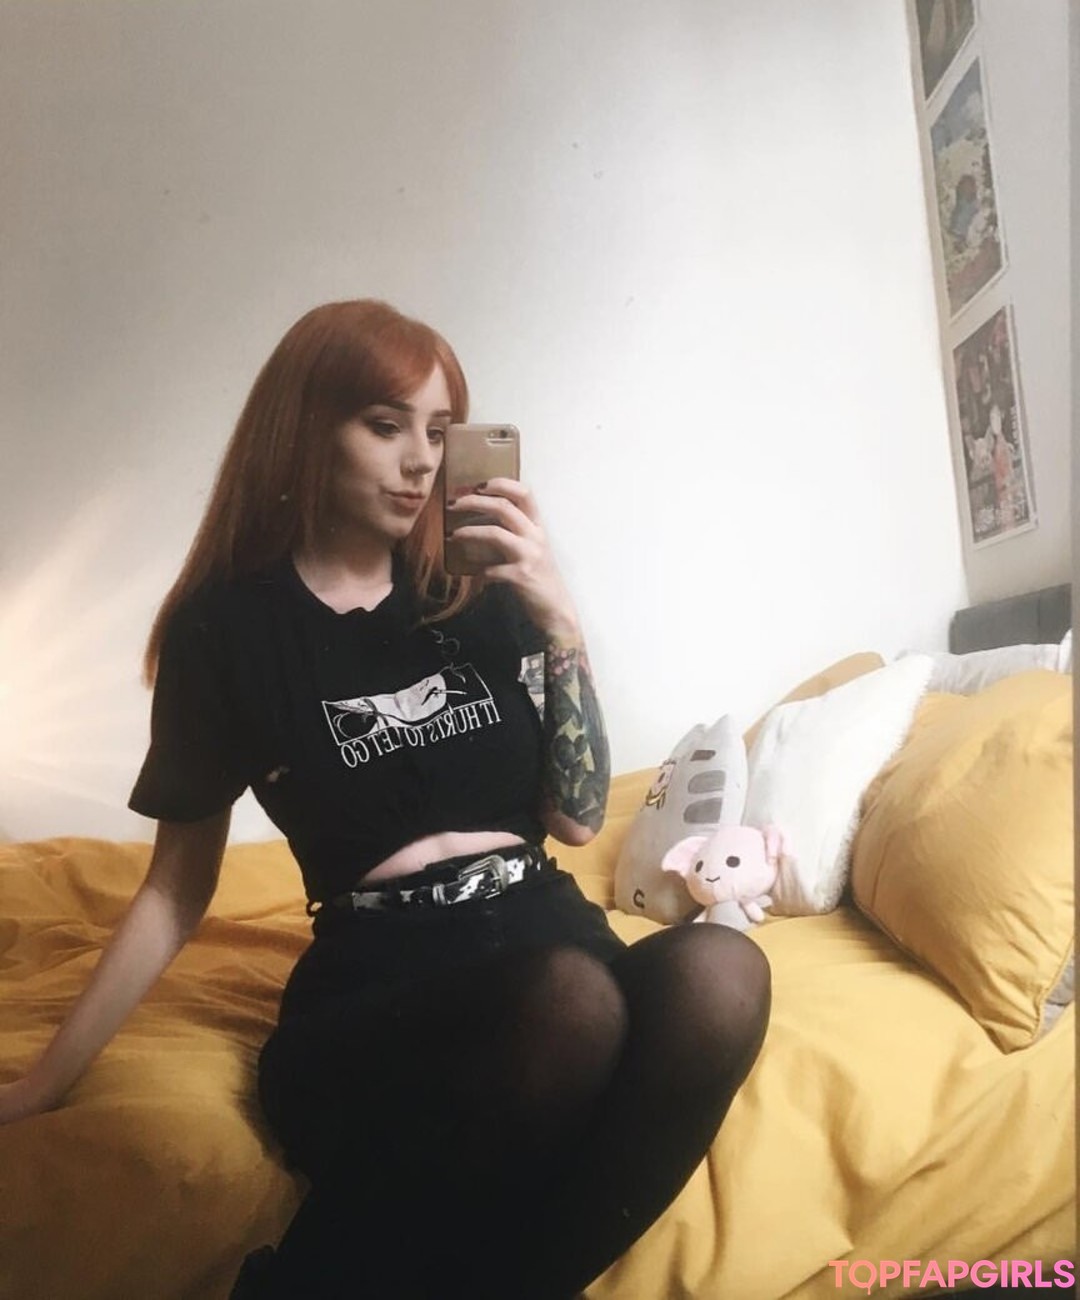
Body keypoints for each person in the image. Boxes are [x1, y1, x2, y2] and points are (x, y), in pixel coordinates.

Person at [0, 300, 771, 1299]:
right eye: (384, 424)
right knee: (571, 1004)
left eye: (440, 432)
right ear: (305, 430)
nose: (420, 461)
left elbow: (579, 819)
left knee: (723, 970)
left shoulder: (479, 592)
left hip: (546, 930)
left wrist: (559, 619)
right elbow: (175, 889)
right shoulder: (226, 629)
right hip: (383, 980)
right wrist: (43, 1083)